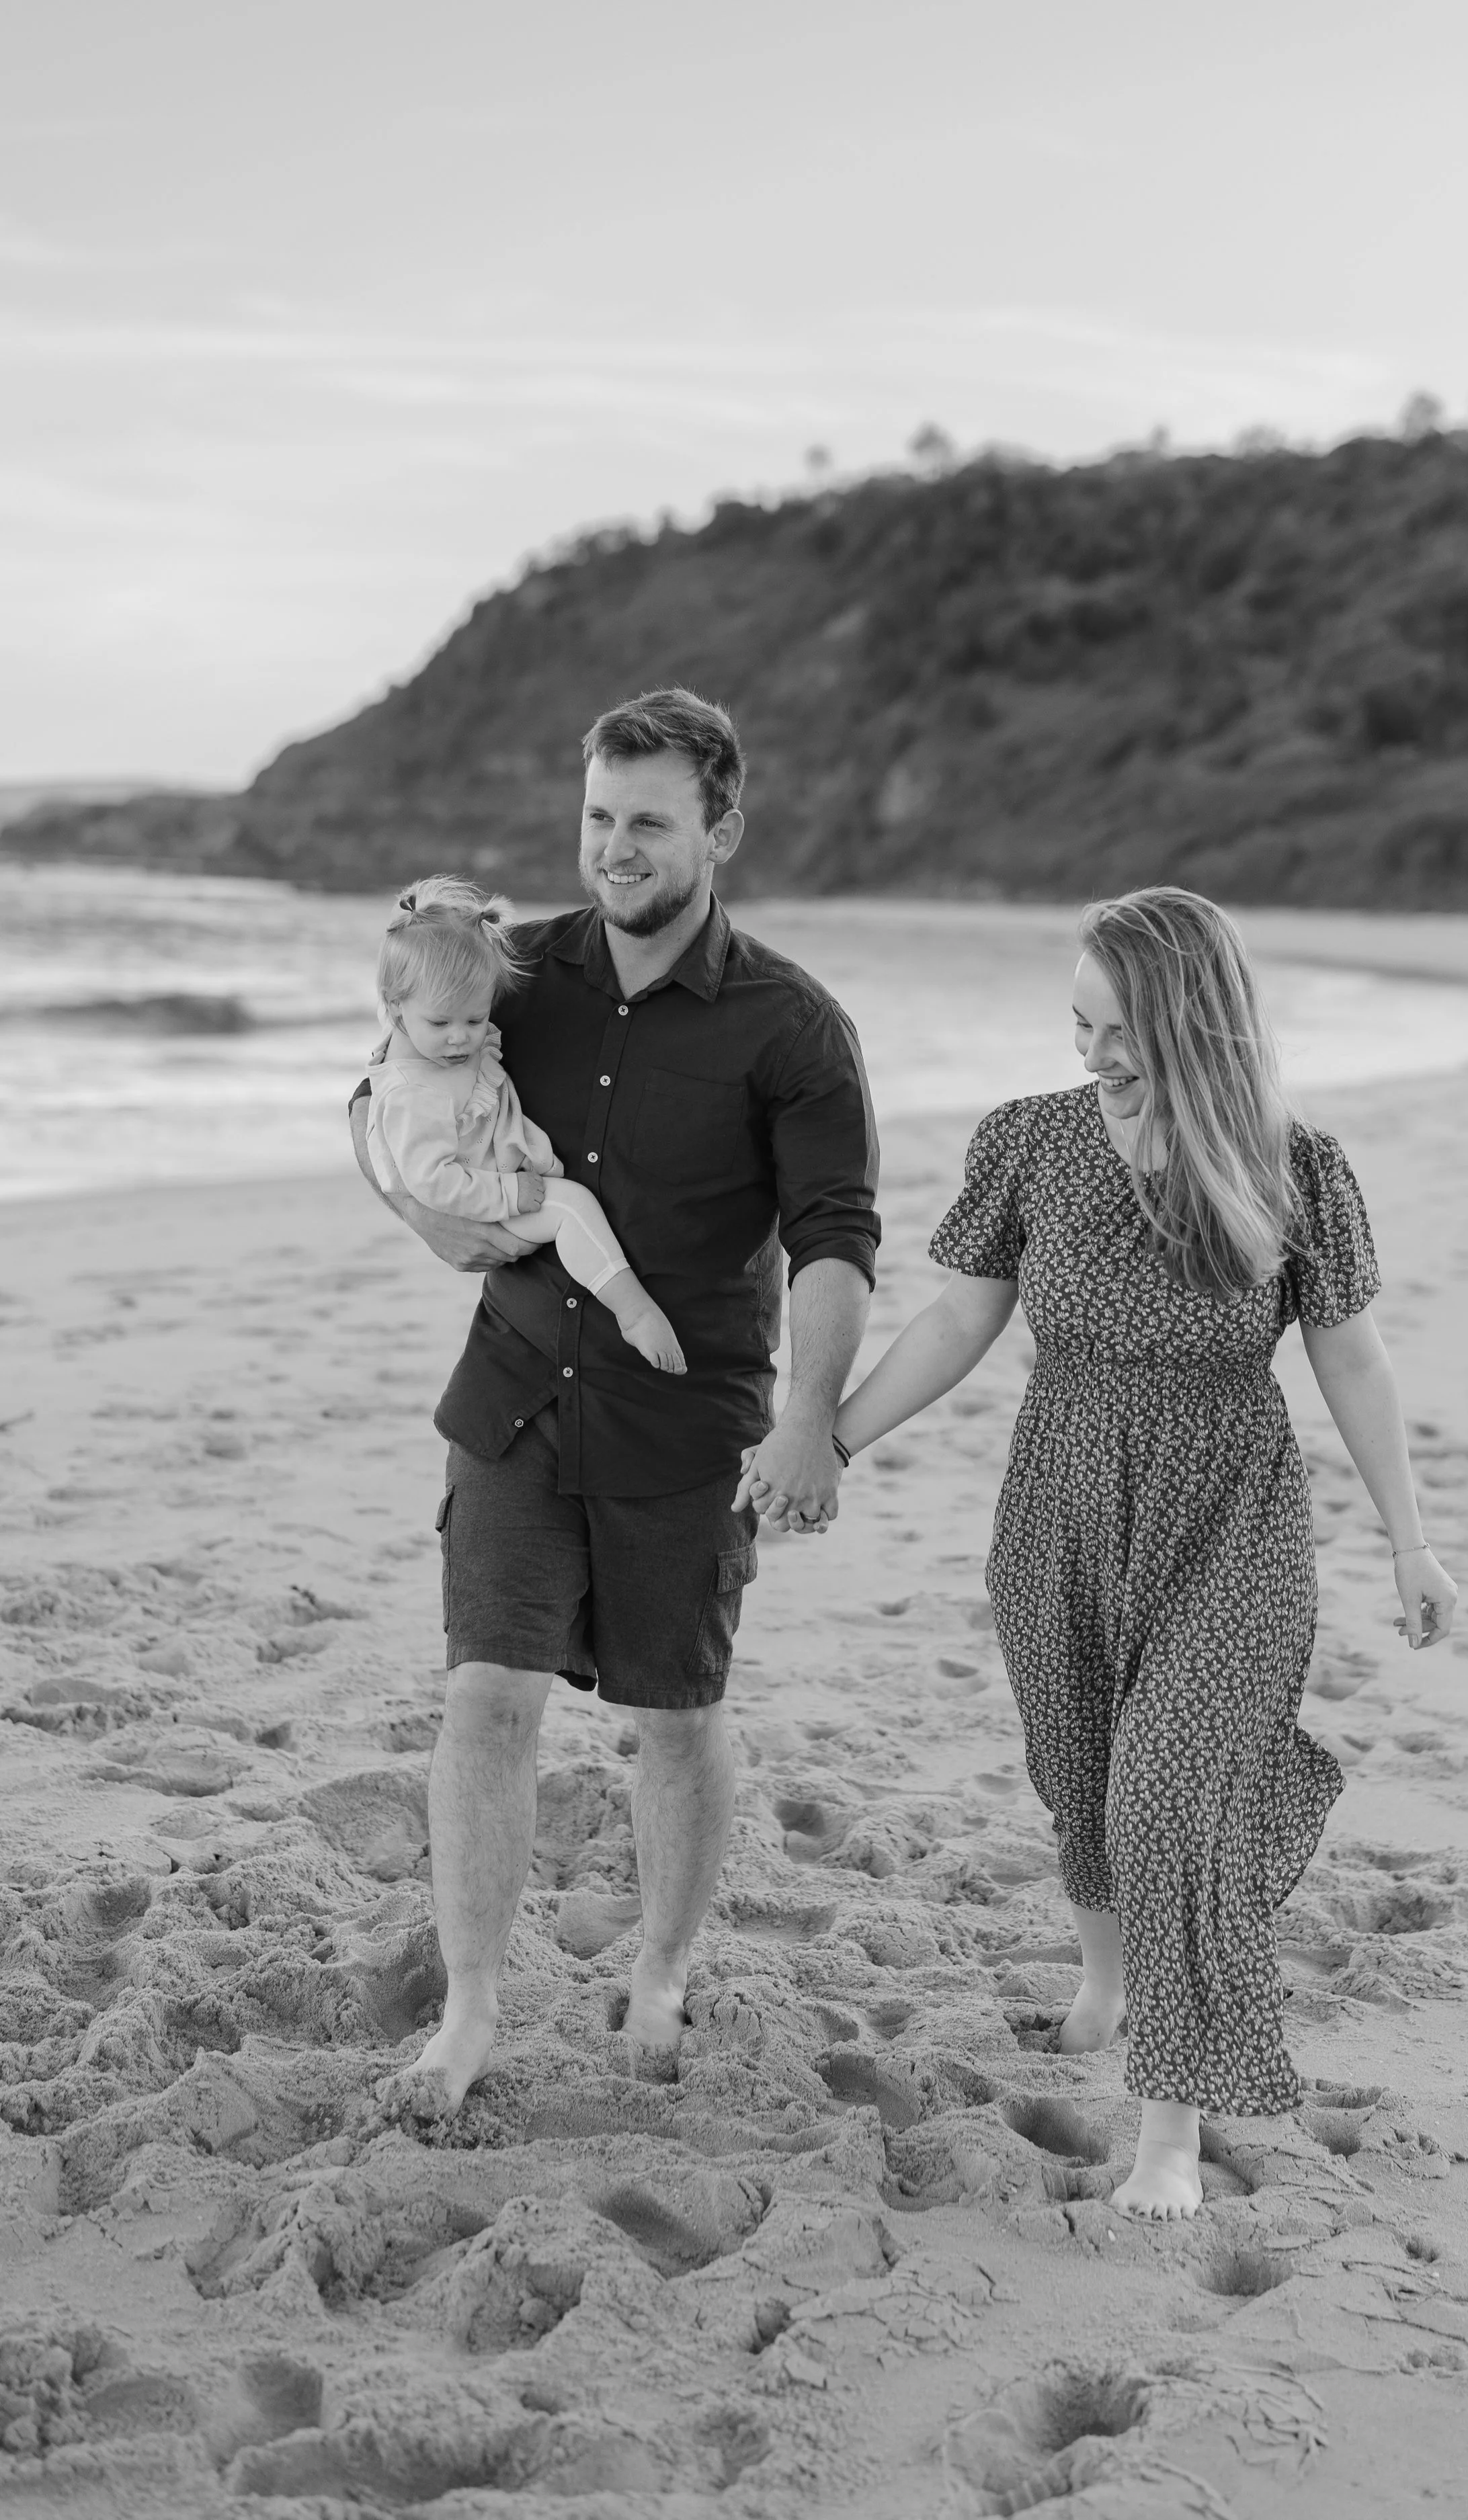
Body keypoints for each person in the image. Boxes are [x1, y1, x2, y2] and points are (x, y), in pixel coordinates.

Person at [779, 887, 1457, 2220]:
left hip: (1231, 1521)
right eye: (1075, 1023)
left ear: (1192, 1018)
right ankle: (1103, 1977)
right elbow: (954, 1324)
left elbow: (1351, 1361)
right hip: (1060, 1509)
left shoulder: (1289, 1167)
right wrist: (829, 1443)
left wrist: (1408, 1541)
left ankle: (1165, 2140)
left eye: (1116, 1026)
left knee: (1167, 1806)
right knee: (1081, 1775)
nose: (1091, 1052)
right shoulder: (1029, 1144)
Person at [349, 687, 879, 2109]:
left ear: (720, 829)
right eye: (596, 818)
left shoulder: (792, 1028)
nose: (613, 848)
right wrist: (415, 1212)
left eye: (646, 821)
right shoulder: (515, 970)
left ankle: (657, 1970)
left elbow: (836, 1240)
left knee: (677, 1718)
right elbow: (382, 1076)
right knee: (485, 1696)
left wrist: (808, 1419)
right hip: (515, 1397)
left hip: (685, 1422)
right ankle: (466, 2017)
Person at [364, 875, 684, 1374]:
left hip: (489, 1169)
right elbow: (431, 1180)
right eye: (442, 1024)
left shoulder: (434, 1041)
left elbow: (463, 1059)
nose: (459, 1039)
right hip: (480, 1193)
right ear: (395, 1004)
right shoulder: (414, 1094)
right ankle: (633, 1310)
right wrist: (512, 1195)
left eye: (475, 1019)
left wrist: (478, 1055)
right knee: (573, 1209)